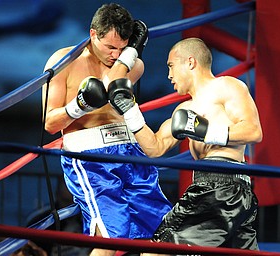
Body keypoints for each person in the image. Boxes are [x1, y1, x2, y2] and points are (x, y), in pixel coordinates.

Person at [108, 37, 263, 251]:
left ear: (190, 62)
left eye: (171, 66)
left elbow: (253, 131)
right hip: (223, 190)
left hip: (219, 188)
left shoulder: (226, 86)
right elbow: (155, 148)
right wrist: (130, 111)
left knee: (157, 252)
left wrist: (206, 131)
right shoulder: (183, 111)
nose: (169, 75)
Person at [42, 3, 172, 256]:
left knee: (160, 232)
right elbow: (49, 124)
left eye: (122, 48)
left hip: (129, 148)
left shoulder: (133, 65)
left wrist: (130, 54)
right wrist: (78, 106)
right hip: (91, 157)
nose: (115, 54)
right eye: (110, 47)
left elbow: (110, 85)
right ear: (93, 34)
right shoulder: (63, 62)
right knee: (111, 235)